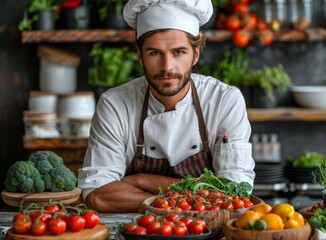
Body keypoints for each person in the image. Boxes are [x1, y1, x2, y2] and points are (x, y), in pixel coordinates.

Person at [77, 0, 255, 212]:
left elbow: (233, 191)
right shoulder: (115, 105)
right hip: (138, 229)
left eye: (178, 52)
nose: (167, 67)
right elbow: (97, 195)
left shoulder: (224, 100)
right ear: (140, 55)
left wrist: (142, 180)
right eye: (154, 53)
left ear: (195, 54)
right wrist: (182, 199)